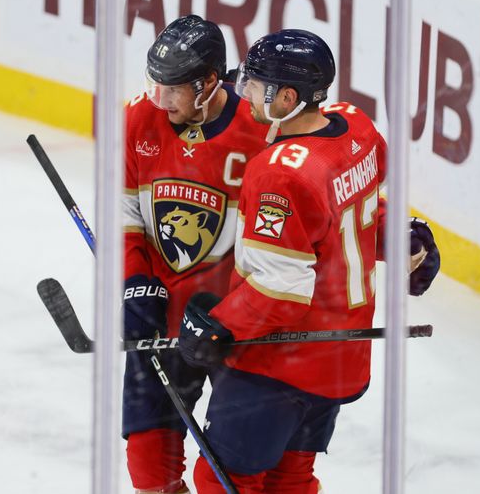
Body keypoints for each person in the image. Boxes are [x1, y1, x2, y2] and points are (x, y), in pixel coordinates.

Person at [177, 29, 441, 493]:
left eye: (256, 87)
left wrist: (218, 326)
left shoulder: (280, 173)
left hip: (279, 362)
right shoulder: (355, 126)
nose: (246, 96)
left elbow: (279, 289)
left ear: (287, 98)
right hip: (340, 357)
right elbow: (352, 215)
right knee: (291, 477)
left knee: (224, 478)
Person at [122, 14, 270, 493]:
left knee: (231, 476)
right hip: (163, 319)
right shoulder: (139, 119)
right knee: (148, 474)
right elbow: (126, 215)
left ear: (208, 82)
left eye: (173, 89)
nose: (160, 101)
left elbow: (316, 197)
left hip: (231, 328)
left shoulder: (259, 131)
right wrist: (133, 282)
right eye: (155, 85)